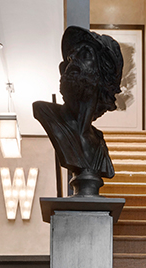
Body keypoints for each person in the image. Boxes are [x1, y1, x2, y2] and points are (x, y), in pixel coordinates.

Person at [33, 26, 123, 196]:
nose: (73, 59)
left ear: (101, 75)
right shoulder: (47, 114)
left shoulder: (99, 144)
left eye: (85, 54)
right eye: (71, 56)